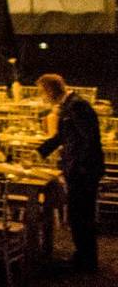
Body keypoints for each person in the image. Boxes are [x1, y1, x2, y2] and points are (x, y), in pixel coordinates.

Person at [36, 73, 104, 273]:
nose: (43, 96)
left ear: (50, 90)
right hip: (80, 169)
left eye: (42, 92)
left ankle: (87, 261)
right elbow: (62, 136)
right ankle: (82, 256)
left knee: (81, 215)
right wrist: (40, 151)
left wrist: (79, 168)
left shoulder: (77, 106)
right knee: (78, 215)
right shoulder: (70, 105)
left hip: (83, 172)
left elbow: (89, 140)